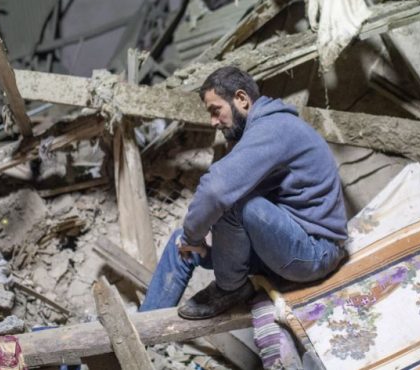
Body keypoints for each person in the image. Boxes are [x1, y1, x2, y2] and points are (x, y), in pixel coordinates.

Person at [140, 66, 348, 319]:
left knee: (232, 204)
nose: (213, 122)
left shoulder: (275, 128)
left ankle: (231, 288)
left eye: (215, 110)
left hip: (315, 252)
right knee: (180, 246)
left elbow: (216, 190)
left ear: (241, 99)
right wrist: (196, 243)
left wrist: (193, 237)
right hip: (282, 246)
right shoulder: (259, 132)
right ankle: (142, 327)